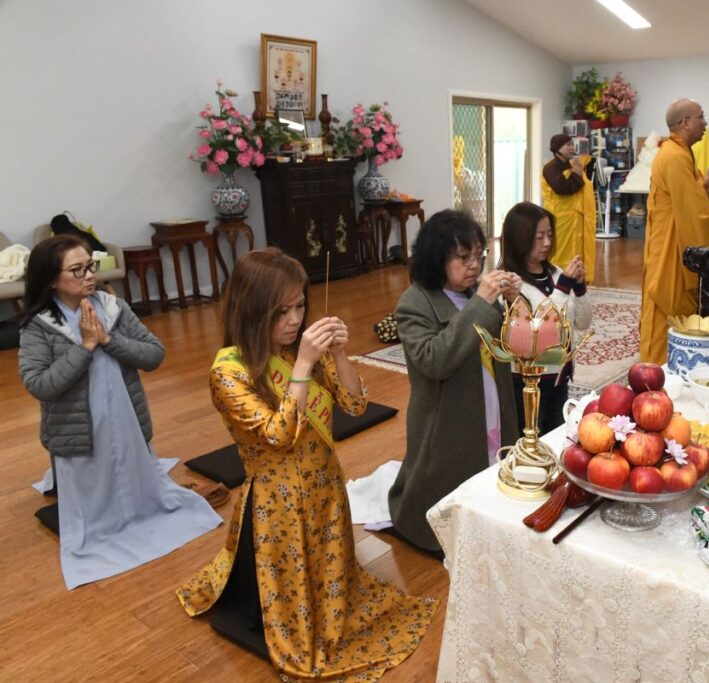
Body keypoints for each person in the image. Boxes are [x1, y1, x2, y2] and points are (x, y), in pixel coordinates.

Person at [177, 248, 435, 681]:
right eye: (282, 311)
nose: (295, 320)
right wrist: (303, 364)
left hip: (326, 486)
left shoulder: (302, 352)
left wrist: (339, 355)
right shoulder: (229, 372)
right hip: (278, 505)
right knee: (290, 593)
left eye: (300, 306)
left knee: (332, 581)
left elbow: (355, 404)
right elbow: (278, 436)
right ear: (252, 310)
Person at [18, 235, 222, 590]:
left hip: (127, 420)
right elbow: (40, 385)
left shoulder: (113, 308)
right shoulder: (40, 325)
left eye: (90, 266)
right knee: (97, 505)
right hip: (80, 433)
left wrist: (109, 341)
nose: (89, 276)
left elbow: (154, 354)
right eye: (77, 270)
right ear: (51, 279)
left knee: (136, 484)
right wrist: (85, 346)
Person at [388, 210, 520, 556]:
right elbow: (434, 360)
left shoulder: (474, 292)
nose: (474, 265)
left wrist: (513, 302)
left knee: (494, 462)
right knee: (451, 482)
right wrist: (480, 304)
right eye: (463, 257)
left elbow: (511, 345)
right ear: (438, 258)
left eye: (478, 255)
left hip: (489, 398)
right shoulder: (415, 303)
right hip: (446, 417)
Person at [640, 99, 709, 364]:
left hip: (673, 238)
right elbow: (693, 211)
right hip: (669, 246)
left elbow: (687, 198)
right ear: (685, 123)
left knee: (675, 309)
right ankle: (657, 371)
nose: (705, 123)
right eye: (701, 117)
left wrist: (703, 186)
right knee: (666, 311)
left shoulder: (679, 153)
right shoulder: (674, 156)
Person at [500, 202, 593, 434]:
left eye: (549, 235)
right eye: (539, 237)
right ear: (519, 239)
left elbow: (584, 322)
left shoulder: (556, 274)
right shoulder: (509, 283)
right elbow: (542, 329)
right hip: (528, 382)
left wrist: (579, 287)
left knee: (557, 437)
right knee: (531, 439)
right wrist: (564, 287)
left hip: (559, 376)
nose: (547, 243)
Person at [541, 133, 597, 283]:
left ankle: (575, 279)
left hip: (574, 218)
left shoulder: (571, 165)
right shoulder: (550, 168)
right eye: (568, 145)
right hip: (559, 218)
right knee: (559, 251)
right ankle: (557, 280)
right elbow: (562, 188)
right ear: (557, 148)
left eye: (572, 144)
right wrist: (577, 175)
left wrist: (577, 172)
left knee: (575, 250)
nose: (572, 147)